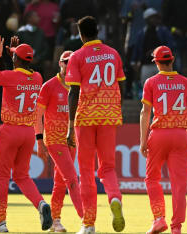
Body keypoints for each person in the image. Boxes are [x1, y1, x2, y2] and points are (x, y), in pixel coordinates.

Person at [0, 35, 52, 232]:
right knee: (22, 176)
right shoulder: (37, 78)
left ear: (17, 60)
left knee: (0, 177)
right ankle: (41, 204)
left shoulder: (10, 77)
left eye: (14, 57)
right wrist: (12, 57)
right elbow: (14, 76)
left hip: (9, 130)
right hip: (28, 132)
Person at [65, 16, 125, 234]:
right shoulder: (113, 54)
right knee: (107, 167)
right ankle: (115, 198)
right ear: (97, 31)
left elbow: (73, 92)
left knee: (87, 170)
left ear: (80, 34)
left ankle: (88, 224)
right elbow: (120, 85)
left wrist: (70, 126)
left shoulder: (77, 56)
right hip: (109, 115)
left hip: (86, 117)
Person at [140, 46, 187, 234]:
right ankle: (176, 227)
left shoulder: (151, 82)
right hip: (181, 134)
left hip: (159, 134)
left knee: (152, 179)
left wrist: (142, 141)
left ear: (156, 63)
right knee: (179, 184)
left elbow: (145, 112)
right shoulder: (186, 82)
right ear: (172, 61)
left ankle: (158, 219)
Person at [35, 50, 83, 232]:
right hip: (54, 140)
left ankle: (55, 221)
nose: (69, 65)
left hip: (72, 140)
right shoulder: (50, 86)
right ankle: (86, 219)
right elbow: (37, 115)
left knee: (60, 182)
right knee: (72, 179)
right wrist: (39, 141)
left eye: (72, 62)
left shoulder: (78, 86)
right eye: (65, 62)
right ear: (60, 64)